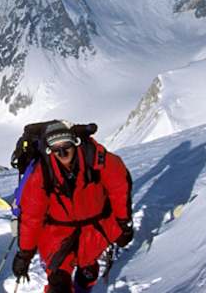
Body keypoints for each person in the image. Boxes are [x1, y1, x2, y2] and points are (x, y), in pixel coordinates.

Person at [12, 121, 134, 292]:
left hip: (95, 230)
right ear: (49, 150)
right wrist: (24, 253)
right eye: (56, 148)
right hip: (57, 235)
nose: (62, 152)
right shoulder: (41, 174)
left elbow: (119, 189)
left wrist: (123, 224)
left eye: (66, 146)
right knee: (58, 281)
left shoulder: (98, 160)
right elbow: (32, 216)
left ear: (75, 143)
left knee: (87, 272)